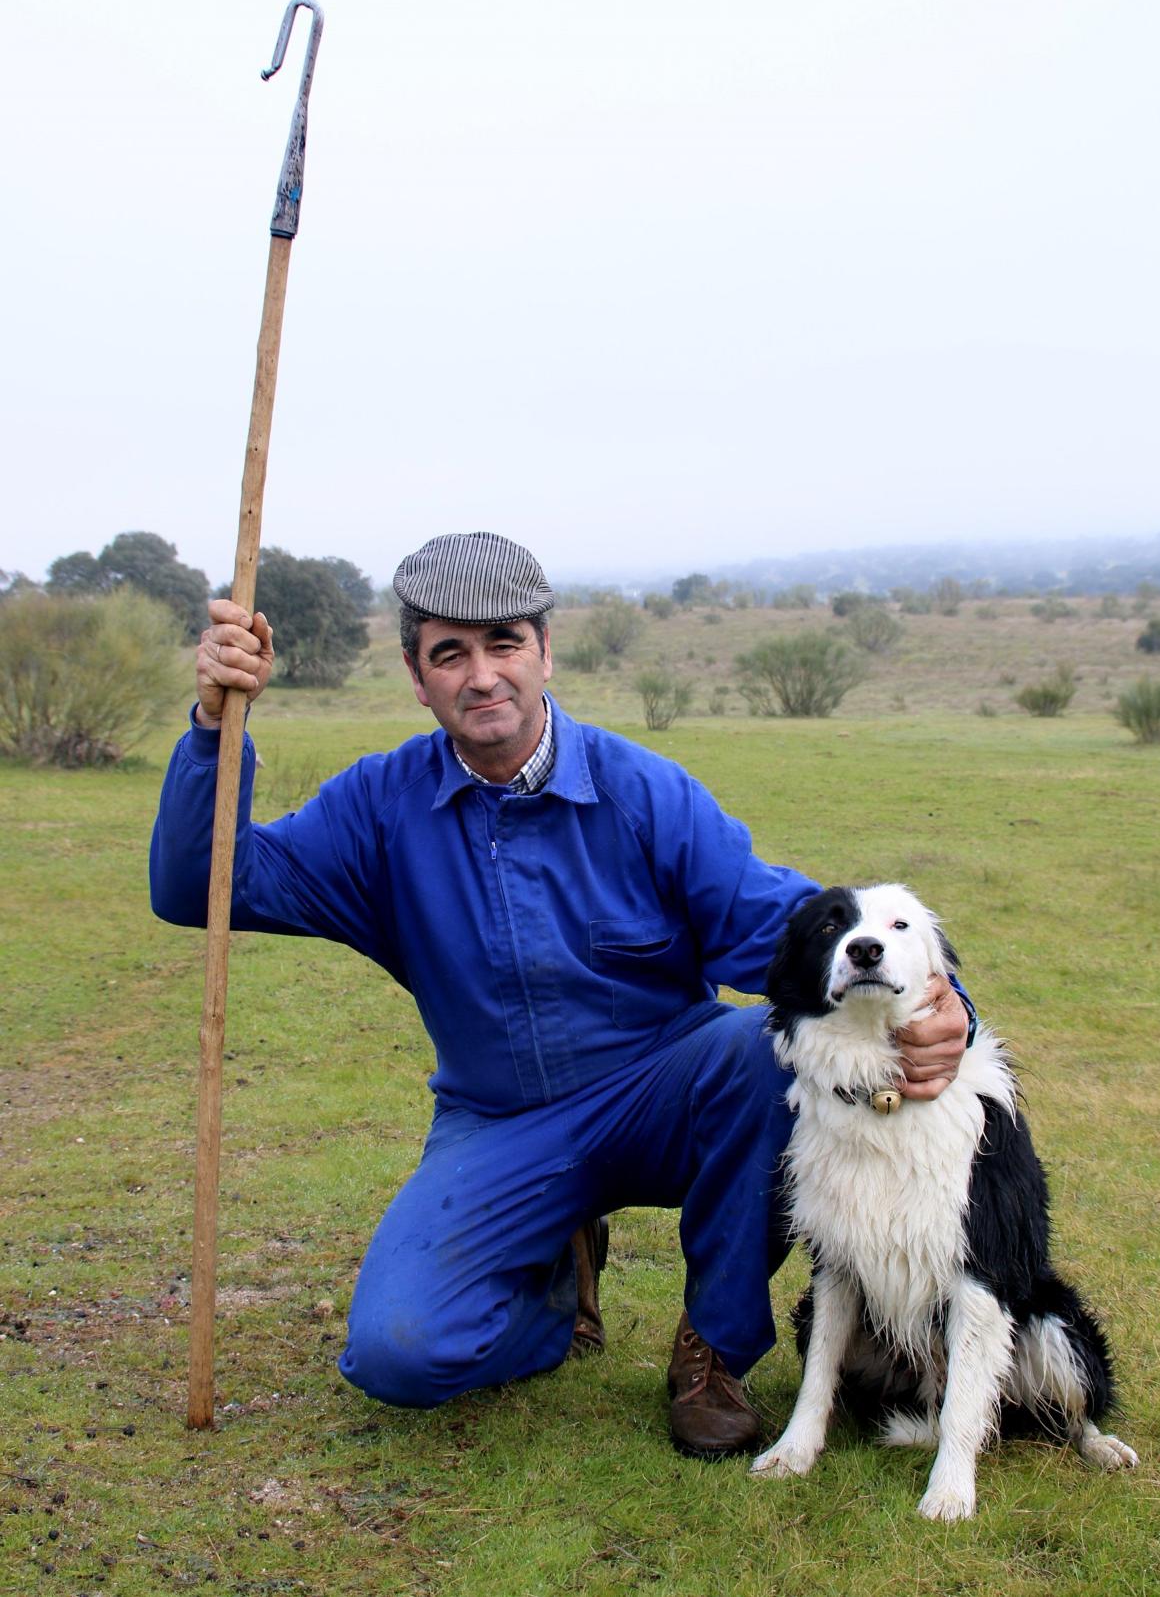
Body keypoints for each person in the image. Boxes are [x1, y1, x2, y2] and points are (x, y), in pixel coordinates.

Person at [150, 531, 971, 1458]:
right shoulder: (376, 808)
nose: (483, 675)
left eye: (504, 643)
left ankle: (713, 1350)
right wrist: (218, 725)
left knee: (760, 1052)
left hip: (665, 1091)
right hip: (497, 1123)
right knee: (399, 1355)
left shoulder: (644, 792)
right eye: (449, 653)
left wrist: (945, 1001)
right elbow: (200, 887)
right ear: (418, 679)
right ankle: (554, 1285)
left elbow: (791, 929)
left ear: (545, 650)